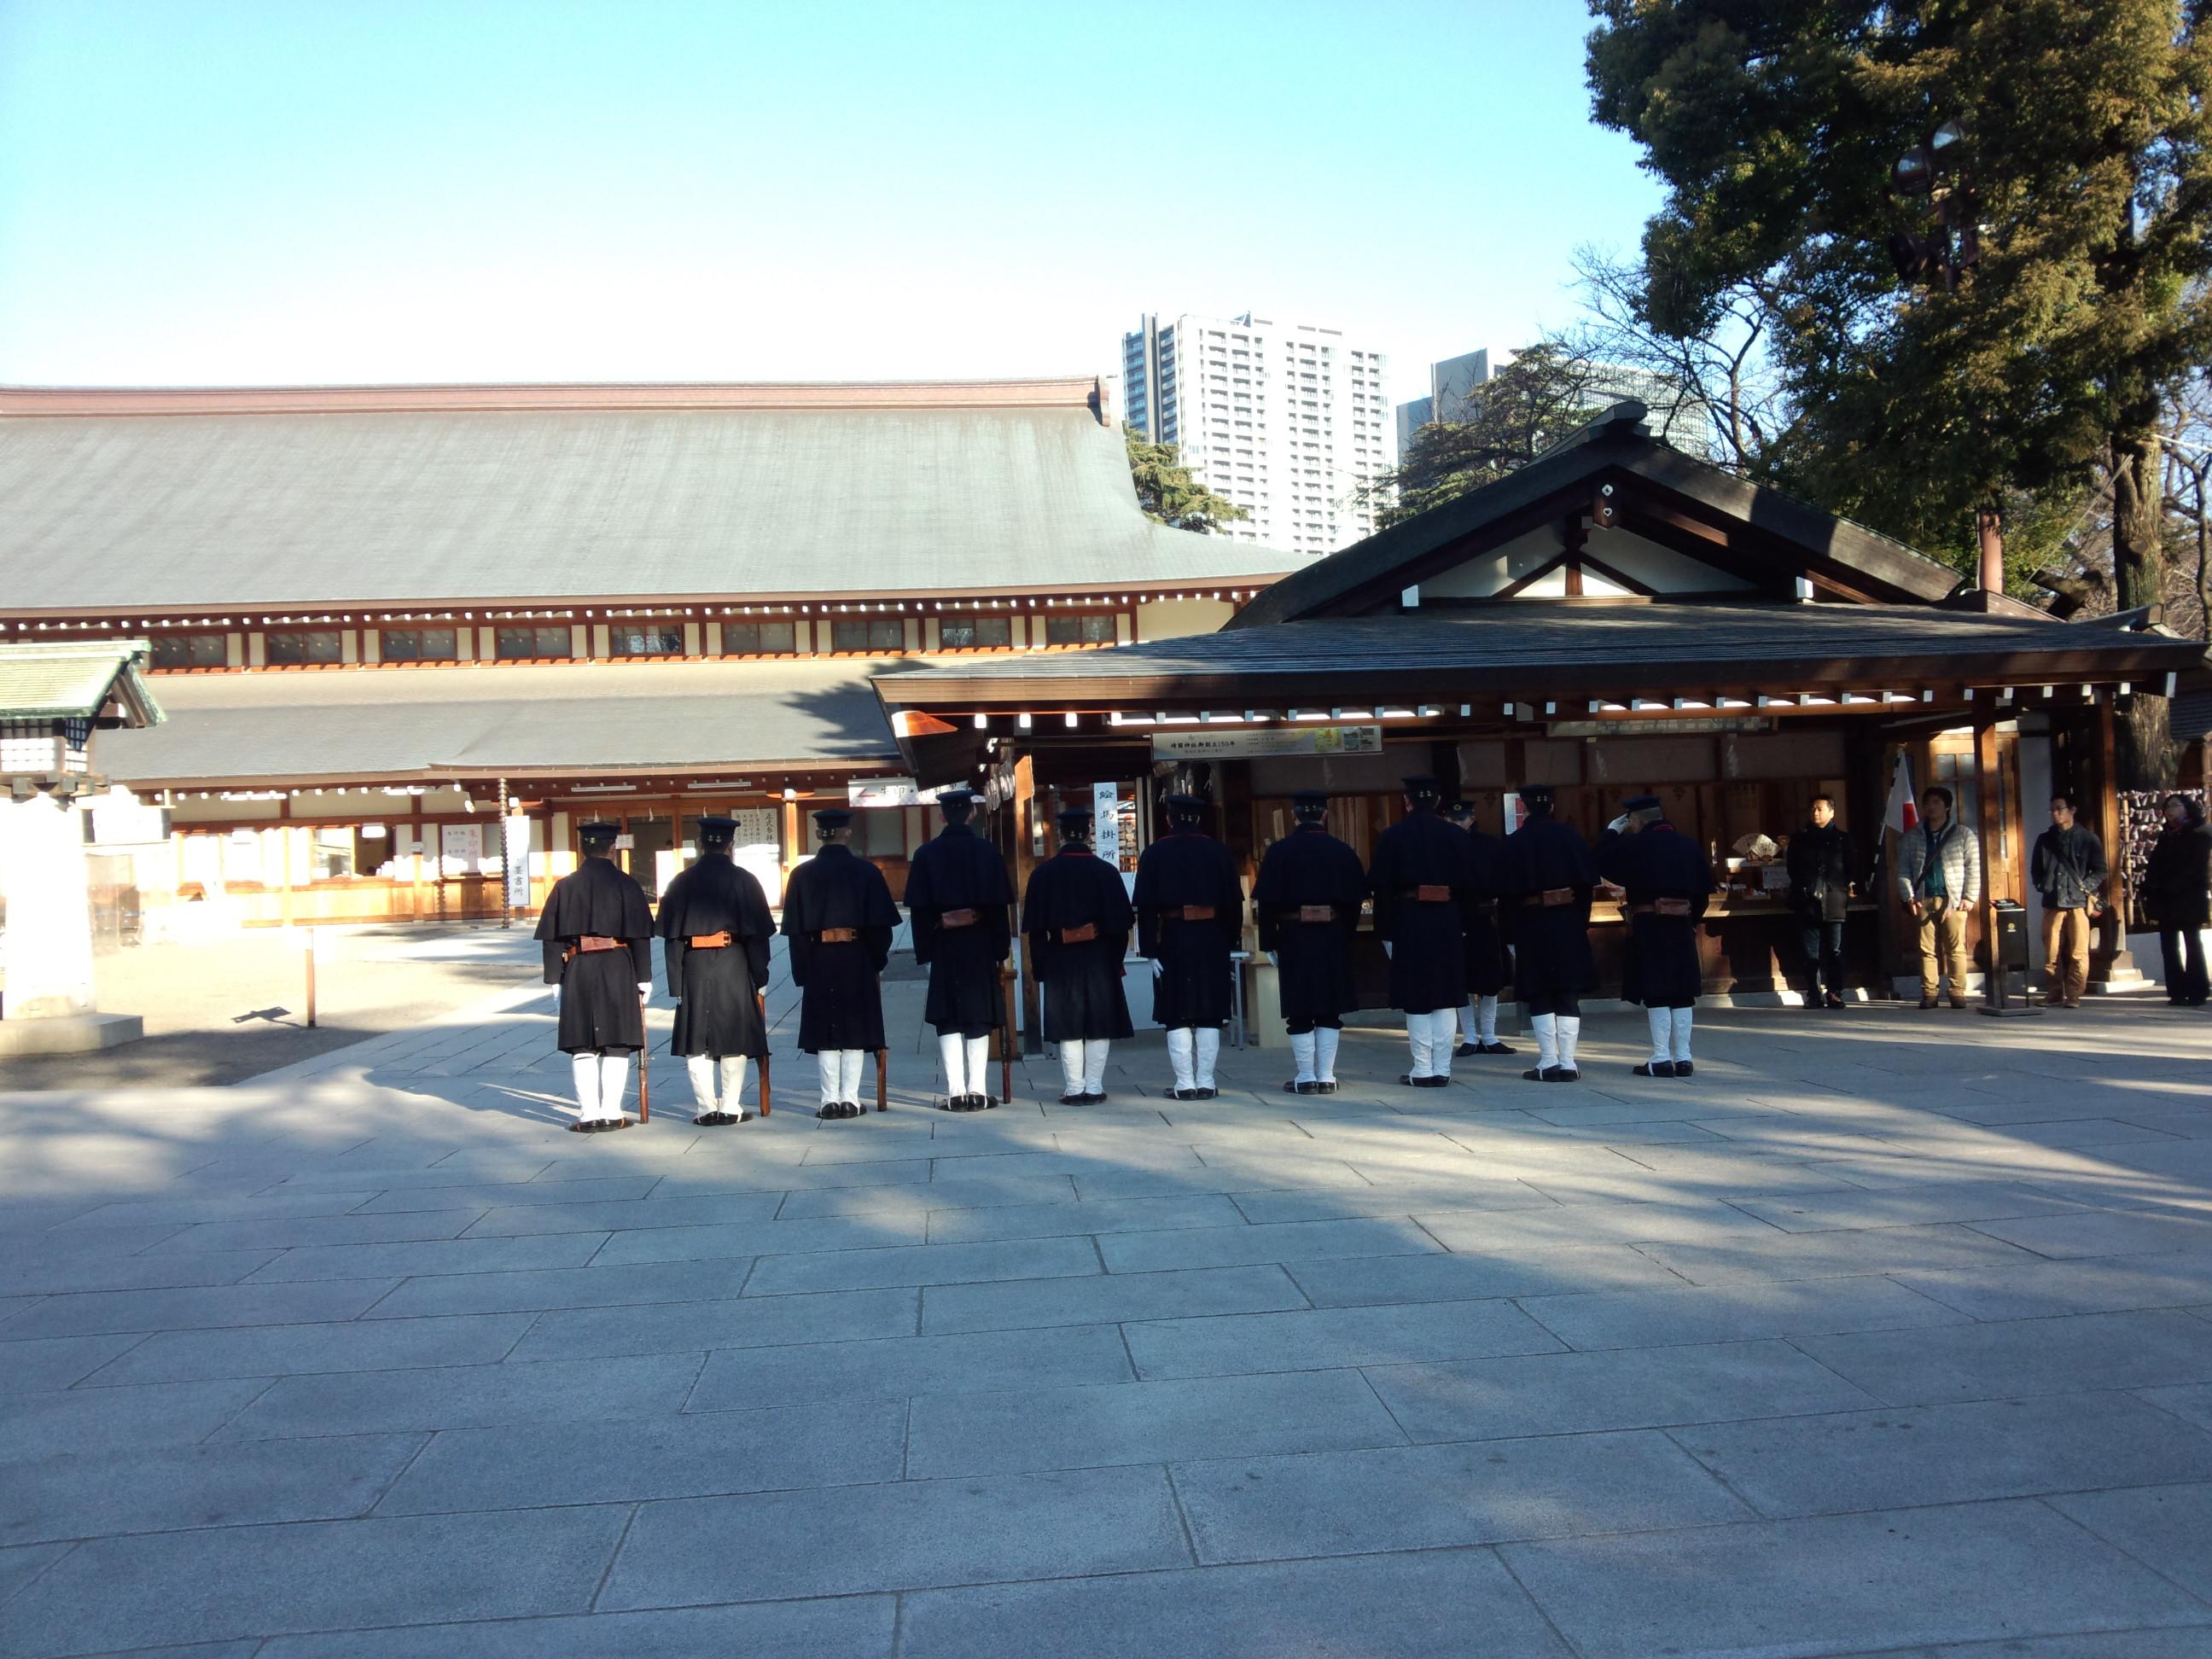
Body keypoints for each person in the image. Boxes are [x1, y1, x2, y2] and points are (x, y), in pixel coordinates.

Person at [535, 822, 655, 1132]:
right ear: (612, 848)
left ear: (582, 849)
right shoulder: (627, 885)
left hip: (579, 967)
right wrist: (644, 976)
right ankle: (612, 1112)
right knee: (617, 1042)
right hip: (618, 965)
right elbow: (640, 936)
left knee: (583, 1044)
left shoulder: (565, 886)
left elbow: (552, 938)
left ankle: (588, 1114)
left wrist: (553, 978)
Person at [780, 808, 898, 1120]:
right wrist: (876, 960)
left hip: (819, 957)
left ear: (819, 834)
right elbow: (881, 928)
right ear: (847, 833)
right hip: (857, 955)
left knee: (826, 1031)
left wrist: (803, 970)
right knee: (855, 1028)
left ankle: (828, 1100)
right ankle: (851, 1098)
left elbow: (796, 932)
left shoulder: (801, 875)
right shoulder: (867, 872)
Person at [656, 816, 772, 1126]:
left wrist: (676, 984)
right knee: (733, 1035)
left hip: (693, 964)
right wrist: (760, 976)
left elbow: (672, 939)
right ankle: (731, 1106)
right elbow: (757, 937)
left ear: (700, 844)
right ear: (730, 845)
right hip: (733, 961)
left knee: (697, 1038)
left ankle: (706, 1107)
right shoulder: (745, 881)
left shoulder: (681, 881)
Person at [905, 788, 1015, 1111]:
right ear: (970, 813)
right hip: (980, 942)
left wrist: (924, 950)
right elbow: (998, 907)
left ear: (941, 816)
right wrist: (1000, 948)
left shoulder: (926, 854)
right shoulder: (987, 852)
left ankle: (955, 1093)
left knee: (948, 1017)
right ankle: (978, 1091)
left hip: (943, 943)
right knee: (978, 1016)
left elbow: (920, 911)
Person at [1366, 775, 1477, 1087]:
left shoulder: (1393, 836)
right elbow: (1471, 887)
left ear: (1407, 801)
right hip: (1447, 920)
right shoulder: (1456, 836)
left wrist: (1385, 931)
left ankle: (1422, 1068)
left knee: (1416, 996)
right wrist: (1465, 926)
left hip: (1409, 919)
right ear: (1439, 802)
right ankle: (1442, 1069)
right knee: (1446, 995)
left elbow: (1382, 890)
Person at [1254, 789, 1366, 1094]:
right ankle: (1327, 1076)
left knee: (1299, 1007)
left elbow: (1266, 903)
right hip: (1332, 935)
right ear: (1324, 814)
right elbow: (1356, 900)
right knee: (1330, 1007)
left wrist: (1268, 942)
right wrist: (1347, 933)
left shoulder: (1279, 852)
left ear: (1295, 816)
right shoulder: (1342, 851)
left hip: (1293, 936)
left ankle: (1305, 1076)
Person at [1134, 793, 1244, 1101]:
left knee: (1177, 1012)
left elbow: (1145, 907)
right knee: (1210, 1011)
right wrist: (1231, 940)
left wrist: (1149, 949)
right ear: (1199, 819)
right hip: (1213, 937)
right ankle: (1206, 1082)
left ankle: (1184, 1083)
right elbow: (1235, 904)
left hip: (1173, 936)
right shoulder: (1219, 852)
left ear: (1169, 818)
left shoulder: (1155, 853)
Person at [1022, 803, 1134, 1104]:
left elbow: (1035, 929)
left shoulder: (1043, 874)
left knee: (1068, 1023)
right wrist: (1115, 960)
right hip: (1099, 956)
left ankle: (1074, 1088)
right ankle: (1095, 1087)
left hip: (1060, 955)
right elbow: (1121, 927)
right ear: (1088, 834)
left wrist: (1040, 965)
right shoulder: (1106, 872)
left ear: (1060, 835)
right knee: (1099, 1022)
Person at [1597, 795, 1714, 1077]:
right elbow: (1703, 894)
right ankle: (1684, 1057)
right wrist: (1691, 920)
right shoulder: (1688, 845)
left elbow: (1598, 860)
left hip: (1649, 922)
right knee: (1683, 991)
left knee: (1656, 989)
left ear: (1636, 820)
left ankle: (1661, 1057)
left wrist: (1612, 831)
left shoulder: (1635, 844)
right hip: (1682, 923)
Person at [1504, 784, 1598, 1081]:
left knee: (1539, 992)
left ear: (1525, 808)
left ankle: (1548, 1061)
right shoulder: (1572, 837)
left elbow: (1506, 897)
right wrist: (1579, 922)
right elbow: (1586, 889)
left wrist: (1509, 935)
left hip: (1531, 924)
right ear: (1553, 807)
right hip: (1569, 922)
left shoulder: (1516, 842)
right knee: (1568, 993)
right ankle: (1569, 1063)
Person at [1895, 784, 1980, 1010]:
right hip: (1924, 897)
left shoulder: (1963, 834)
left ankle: (1957, 991)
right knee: (1926, 949)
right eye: (1928, 803)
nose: (1931, 807)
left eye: (1937, 802)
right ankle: (1930, 993)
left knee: (1955, 947)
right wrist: (1908, 896)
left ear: (1948, 806)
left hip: (1953, 898)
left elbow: (1973, 868)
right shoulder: (1913, 835)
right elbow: (1903, 869)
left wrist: (1969, 897)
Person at [1447, 800, 1516, 1057]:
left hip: (1487, 919)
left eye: (1460, 820)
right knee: (1462, 981)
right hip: (1457, 918)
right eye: (1452, 821)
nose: (1456, 825)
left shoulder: (1490, 845)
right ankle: (1469, 1037)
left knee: (1491, 981)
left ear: (1472, 819)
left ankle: (1489, 1035)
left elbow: (1504, 879)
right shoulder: (1445, 846)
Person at [2029, 792, 2109, 1010]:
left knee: (2078, 952)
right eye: (2052, 809)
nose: (2055, 813)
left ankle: (2074, 994)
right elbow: (2035, 869)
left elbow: (2101, 870)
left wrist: (2085, 887)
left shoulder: (2087, 838)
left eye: (2059, 809)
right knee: (2051, 951)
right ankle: (2054, 993)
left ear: (2072, 810)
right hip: (2052, 901)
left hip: (2078, 902)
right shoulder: (2045, 839)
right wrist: (2041, 885)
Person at [1785, 794, 1856, 1009]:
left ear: (1832, 812)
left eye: (1820, 809)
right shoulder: (1799, 839)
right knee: (1810, 952)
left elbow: (1851, 867)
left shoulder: (1843, 839)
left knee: (1835, 951)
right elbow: (1792, 868)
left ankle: (1835, 992)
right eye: (1813, 809)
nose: (1815, 813)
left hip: (1834, 900)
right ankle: (1813, 993)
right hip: (1807, 901)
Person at [2143, 793, 2211, 1006]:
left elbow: (2197, 869)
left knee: (2192, 943)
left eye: (2175, 805)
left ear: (2187, 808)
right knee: (2169, 947)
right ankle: (2177, 991)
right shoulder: (2166, 836)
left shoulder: (2199, 834)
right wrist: (2151, 886)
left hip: (2189, 897)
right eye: (2167, 807)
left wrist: (2175, 886)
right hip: (2166, 900)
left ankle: (2198, 990)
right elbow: (2154, 865)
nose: (2170, 810)